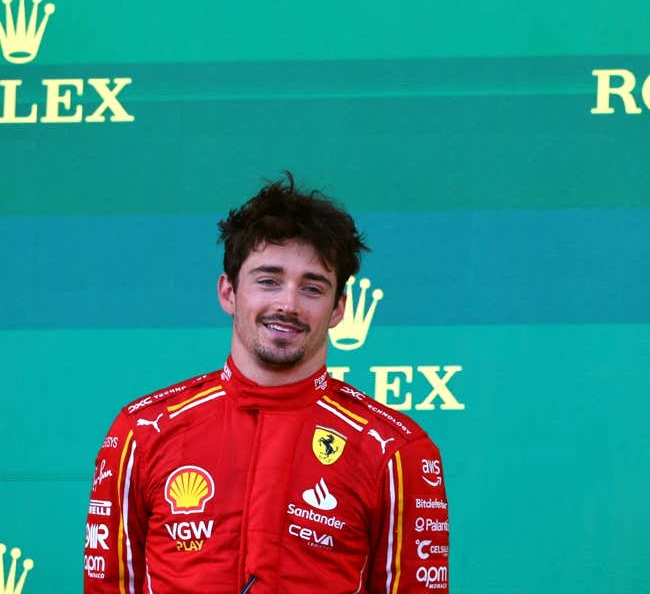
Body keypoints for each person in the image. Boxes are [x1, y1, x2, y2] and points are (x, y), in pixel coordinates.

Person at [84, 174, 449, 593]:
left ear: (338, 309)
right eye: (268, 280)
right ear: (228, 292)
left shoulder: (394, 450)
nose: (287, 304)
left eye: (312, 288)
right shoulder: (143, 432)